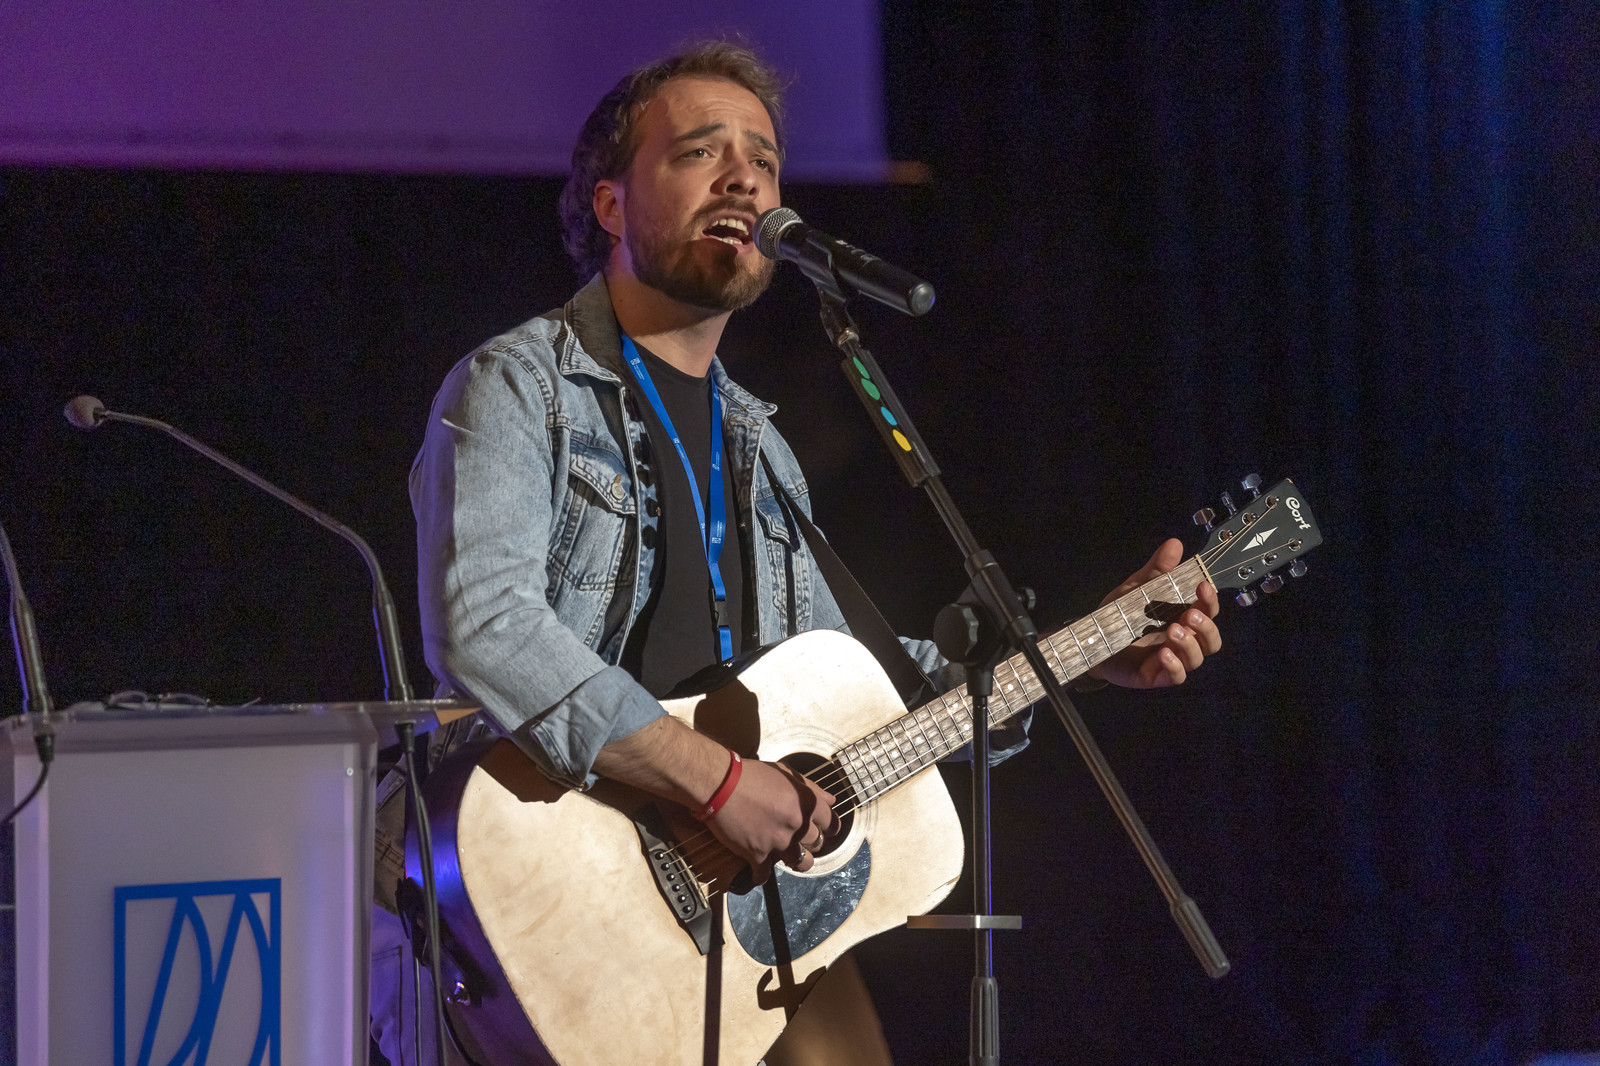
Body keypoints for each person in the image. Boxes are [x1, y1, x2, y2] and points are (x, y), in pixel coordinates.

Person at [370, 40, 1222, 1066]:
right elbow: (485, 627)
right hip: (548, 882)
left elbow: (862, 695)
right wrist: (718, 783)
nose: (744, 178)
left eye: (764, 161)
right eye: (700, 151)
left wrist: (1081, 656)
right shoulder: (517, 386)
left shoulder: (759, 447)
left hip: (731, 904)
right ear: (609, 205)